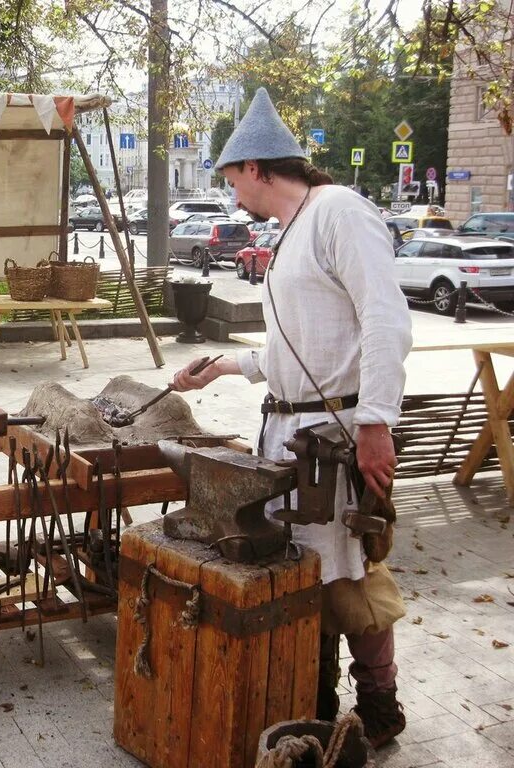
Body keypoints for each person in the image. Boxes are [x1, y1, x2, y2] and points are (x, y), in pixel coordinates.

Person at [170, 88, 411, 748]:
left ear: (255, 168)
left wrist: (376, 422)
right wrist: (227, 368)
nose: (233, 195)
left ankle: (379, 706)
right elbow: (298, 345)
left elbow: (384, 319)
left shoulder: (340, 212)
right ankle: (318, 697)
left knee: (350, 571)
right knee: (312, 570)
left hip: (334, 435)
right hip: (291, 435)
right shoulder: (292, 230)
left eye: (231, 180)